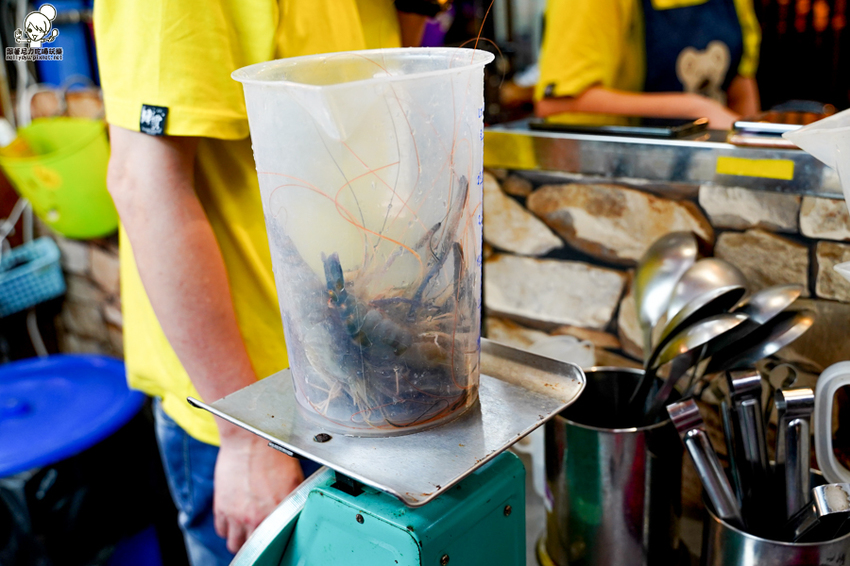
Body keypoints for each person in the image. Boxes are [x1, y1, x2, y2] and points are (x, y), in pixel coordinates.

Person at [93, 2, 427, 564]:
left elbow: (375, 96)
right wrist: (247, 436)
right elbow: (142, 181)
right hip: (257, 408)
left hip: (354, 385)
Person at [534, 0, 762, 129]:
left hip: (706, 168)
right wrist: (696, 108)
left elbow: (741, 87)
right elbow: (556, 104)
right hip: (618, 172)